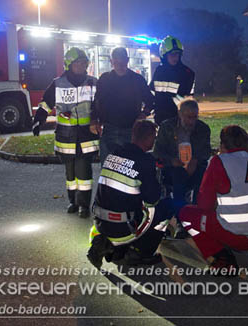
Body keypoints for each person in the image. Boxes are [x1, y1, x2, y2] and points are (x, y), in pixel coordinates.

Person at [179, 125, 248, 272]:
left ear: (222, 145)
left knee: (186, 215)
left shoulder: (219, 161)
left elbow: (204, 205)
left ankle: (222, 260)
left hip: (240, 237)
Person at [87, 120, 174, 269]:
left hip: (99, 221)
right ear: (147, 138)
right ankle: (141, 252)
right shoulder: (145, 161)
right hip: (124, 226)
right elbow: (152, 200)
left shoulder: (114, 154)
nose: (154, 141)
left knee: (126, 204)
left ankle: (108, 243)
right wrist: (159, 185)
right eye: (154, 137)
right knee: (166, 209)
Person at [32, 47, 99, 218]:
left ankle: (84, 205)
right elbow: (46, 103)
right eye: (78, 63)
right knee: (70, 175)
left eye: (84, 62)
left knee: (84, 172)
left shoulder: (93, 82)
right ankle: (73, 202)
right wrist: (39, 120)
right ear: (69, 64)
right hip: (66, 136)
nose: (81, 65)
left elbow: (101, 104)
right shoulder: (58, 83)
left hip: (86, 135)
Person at [153, 99, 211, 238]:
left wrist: (195, 160)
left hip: (195, 165)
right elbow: (158, 152)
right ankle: (181, 220)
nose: (191, 121)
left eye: (194, 117)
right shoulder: (167, 127)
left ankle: (196, 216)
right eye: (188, 117)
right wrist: (172, 161)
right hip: (173, 167)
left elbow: (206, 151)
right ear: (180, 114)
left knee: (202, 181)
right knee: (178, 179)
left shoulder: (202, 128)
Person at [91, 46, 154, 165]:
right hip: (108, 129)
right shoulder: (104, 79)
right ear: (111, 62)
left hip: (131, 130)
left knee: (129, 167)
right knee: (107, 168)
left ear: (127, 60)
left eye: (122, 61)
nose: (120, 65)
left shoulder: (137, 80)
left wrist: (143, 114)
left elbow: (150, 101)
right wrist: (94, 120)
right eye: (116, 62)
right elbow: (97, 101)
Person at [149, 36, 195, 125]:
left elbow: (186, 98)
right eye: (172, 54)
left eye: (177, 54)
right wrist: (154, 108)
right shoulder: (159, 71)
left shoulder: (187, 74)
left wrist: (166, 107)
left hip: (179, 120)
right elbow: (152, 91)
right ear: (164, 55)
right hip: (160, 119)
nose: (175, 57)